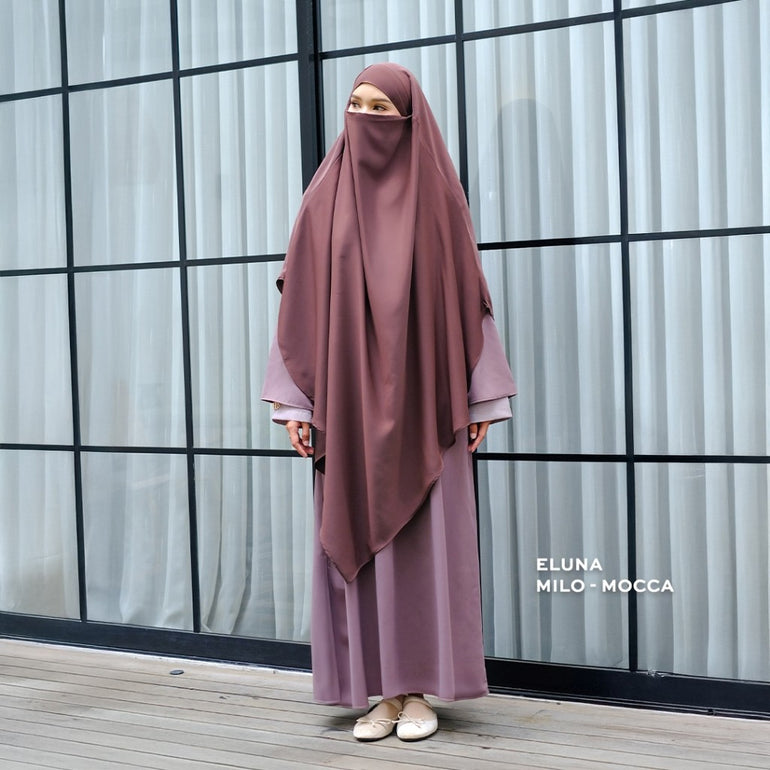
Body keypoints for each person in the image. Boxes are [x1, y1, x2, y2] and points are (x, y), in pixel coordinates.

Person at [262, 62, 516, 742]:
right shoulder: (324, 201)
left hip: (428, 408)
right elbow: (298, 309)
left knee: (427, 546)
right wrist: (297, 404)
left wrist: (480, 398)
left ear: (408, 120)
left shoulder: (437, 202)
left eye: (382, 108)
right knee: (360, 542)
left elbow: (470, 302)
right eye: (357, 104)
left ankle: (420, 692)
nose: (367, 118)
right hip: (346, 407)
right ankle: (381, 694)